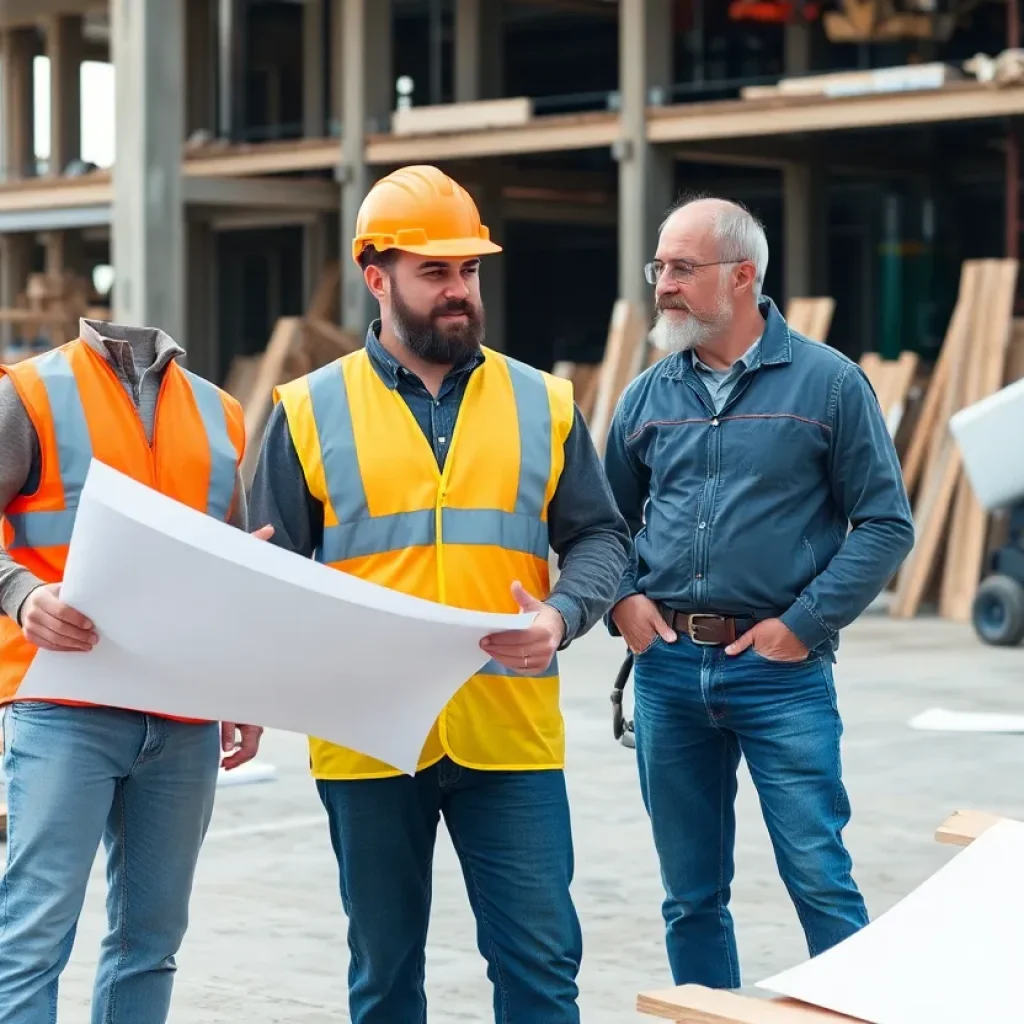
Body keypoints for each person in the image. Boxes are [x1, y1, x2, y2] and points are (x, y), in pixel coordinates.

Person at [249, 164, 631, 1023]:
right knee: (385, 980)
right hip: (368, 737)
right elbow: (268, 573)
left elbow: (602, 536)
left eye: (469, 269)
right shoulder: (308, 410)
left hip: (509, 735)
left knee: (541, 972)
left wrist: (562, 615)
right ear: (376, 277)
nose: (459, 290)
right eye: (435, 271)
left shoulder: (544, 402)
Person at [604, 196, 915, 989]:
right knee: (690, 897)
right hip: (669, 672)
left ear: (742, 276)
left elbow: (885, 524)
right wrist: (624, 601)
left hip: (781, 675)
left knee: (819, 877)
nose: (663, 285)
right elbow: (601, 525)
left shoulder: (830, 385)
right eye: (659, 267)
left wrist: (803, 625)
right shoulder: (645, 397)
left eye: (682, 268)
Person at [0, 319, 267, 1024]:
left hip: (183, 713)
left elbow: (233, 561)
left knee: (150, 943)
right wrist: (20, 593)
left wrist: (242, 682)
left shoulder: (219, 412)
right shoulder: (30, 393)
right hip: (63, 705)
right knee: (32, 938)